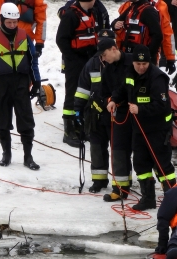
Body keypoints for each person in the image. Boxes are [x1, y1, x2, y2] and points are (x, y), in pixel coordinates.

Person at [112, 44, 176, 210]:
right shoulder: (130, 73)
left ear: (150, 63)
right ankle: (148, 198)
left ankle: (173, 199)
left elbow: (161, 105)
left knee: (162, 165)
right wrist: (114, 100)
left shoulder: (157, 78)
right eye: (138, 64)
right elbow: (123, 89)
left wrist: (140, 109)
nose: (141, 67)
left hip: (158, 128)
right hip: (139, 129)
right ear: (133, 63)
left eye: (144, 64)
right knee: (140, 164)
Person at [0, 3, 41, 170]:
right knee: (1, 120)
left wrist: (36, 82)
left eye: (15, 22)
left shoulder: (25, 37)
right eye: (9, 22)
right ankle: (6, 153)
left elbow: (33, 61)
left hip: (21, 83)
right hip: (0, 84)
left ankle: (28, 156)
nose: (13, 26)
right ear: (1, 20)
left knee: (26, 120)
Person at [74, 29, 116, 193]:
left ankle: (121, 183)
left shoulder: (121, 63)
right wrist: (77, 109)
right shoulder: (91, 64)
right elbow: (82, 89)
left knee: (119, 151)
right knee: (97, 148)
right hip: (95, 115)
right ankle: (99, 181)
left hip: (116, 115)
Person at [56, 0, 101, 147]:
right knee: (72, 93)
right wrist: (71, 58)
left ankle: (79, 125)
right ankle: (68, 131)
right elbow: (61, 40)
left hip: (89, 59)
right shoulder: (70, 16)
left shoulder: (92, 13)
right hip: (75, 61)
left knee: (85, 92)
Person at [98, 39, 134, 202]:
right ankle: (120, 188)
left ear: (114, 49)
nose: (104, 59)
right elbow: (104, 93)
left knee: (143, 151)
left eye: (105, 55)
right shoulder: (107, 71)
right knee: (118, 150)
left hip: (138, 112)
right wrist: (109, 102)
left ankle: (164, 187)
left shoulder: (134, 62)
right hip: (119, 113)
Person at [115, 0, 176, 74]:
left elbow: (166, 34)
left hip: (145, 57)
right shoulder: (128, 5)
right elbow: (118, 27)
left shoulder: (159, 7)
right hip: (126, 54)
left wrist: (170, 58)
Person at [111, 0, 163, 64]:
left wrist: (148, 55)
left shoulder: (148, 10)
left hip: (143, 58)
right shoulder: (132, 8)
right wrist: (115, 24)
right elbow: (116, 21)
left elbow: (158, 36)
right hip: (129, 53)